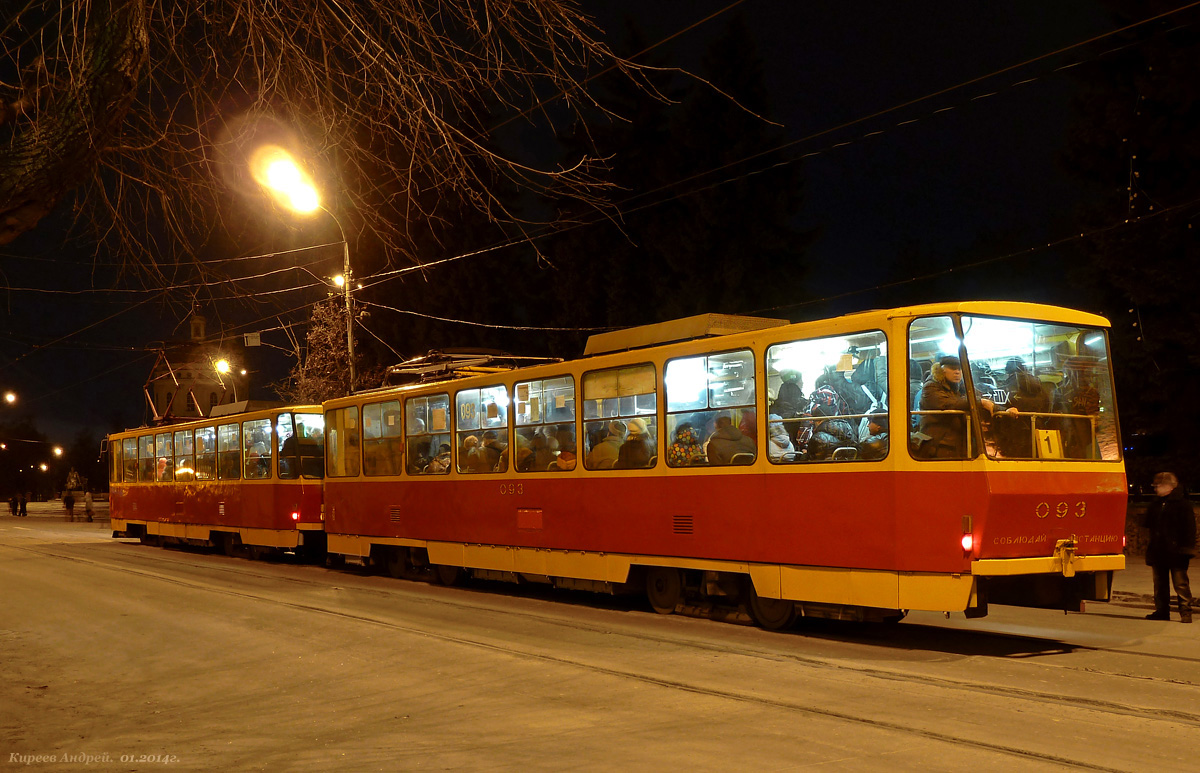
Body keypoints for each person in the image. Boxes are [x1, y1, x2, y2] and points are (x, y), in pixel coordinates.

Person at [915, 355, 995, 459]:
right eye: (952, 368)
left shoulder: (961, 386)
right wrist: (980, 402)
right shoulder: (931, 387)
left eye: (959, 369)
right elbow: (950, 404)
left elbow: (982, 399)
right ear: (942, 370)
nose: (957, 372)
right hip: (938, 444)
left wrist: (1004, 409)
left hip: (959, 441)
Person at [1144, 472, 1195, 623]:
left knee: (1180, 584)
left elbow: (1189, 529)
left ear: (1168, 486)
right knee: (1160, 584)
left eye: (1157, 486)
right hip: (1159, 551)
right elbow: (1149, 525)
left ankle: (1185, 612)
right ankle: (1162, 611)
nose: (1155, 489)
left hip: (1177, 552)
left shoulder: (1182, 505)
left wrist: (1185, 549)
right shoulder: (1157, 504)